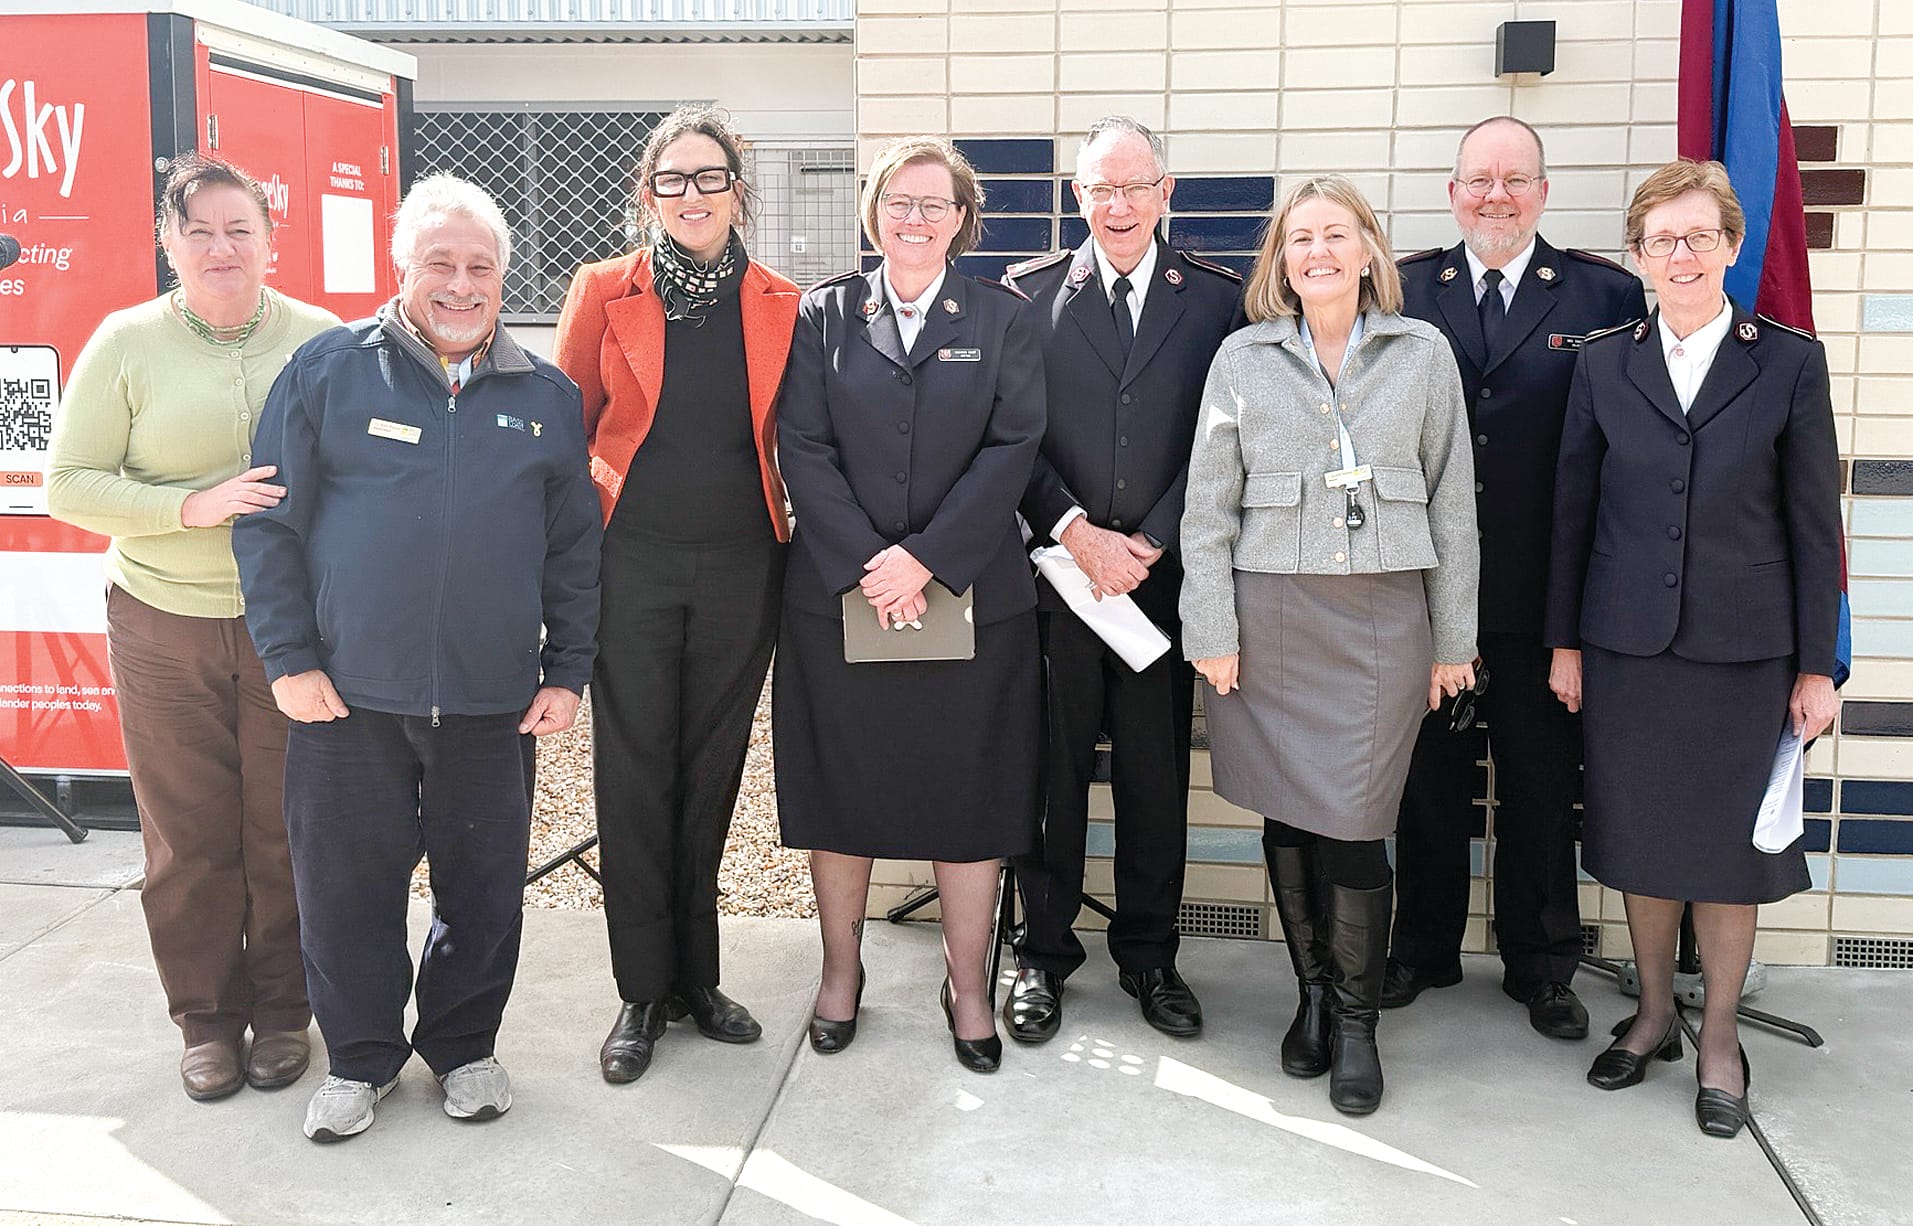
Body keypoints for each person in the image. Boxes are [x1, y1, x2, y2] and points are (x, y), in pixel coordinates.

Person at [232, 174, 602, 1142]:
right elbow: (269, 527)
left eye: (480, 266)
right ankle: (358, 1056)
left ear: (502, 279)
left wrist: (566, 668)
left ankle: (463, 1045)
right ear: (402, 268)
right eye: (438, 261)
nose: (459, 283)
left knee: (482, 887)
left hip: (491, 701)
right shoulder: (325, 373)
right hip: (346, 699)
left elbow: (573, 548)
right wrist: (287, 656)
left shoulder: (545, 396)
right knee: (343, 888)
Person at [1545, 158, 1841, 1139]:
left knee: (1724, 858)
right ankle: (1652, 1012)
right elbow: (1570, 517)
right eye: (1661, 238)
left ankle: (1717, 1033)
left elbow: (1811, 526)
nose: (1680, 253)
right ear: (1636, 256)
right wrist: (1562, 641)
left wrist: (1814, 662)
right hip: (1625, 646)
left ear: (1729, 245)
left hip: (1742, 653)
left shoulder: (1787, 361)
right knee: (1640, 846)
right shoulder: (1599, 362)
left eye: (1697, 236)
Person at [1180, 174, 1478, 1116]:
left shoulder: (1421, 352)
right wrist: (1212, 631)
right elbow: (1205, 510)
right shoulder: (1241, 357)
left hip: (1384, 621)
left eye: (1335, 234)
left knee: (1354, 822)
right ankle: (1310, 995)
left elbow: (1453, 506)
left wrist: (1453, 640)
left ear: (1367, 250)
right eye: (1299, 237)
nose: (1317, 251)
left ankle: (1357, 1020)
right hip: (1266, 618)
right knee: (1286, 814)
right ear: (1281, 258)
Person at [46, 154, 339, 1103]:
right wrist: (193, 506)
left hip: (288, 630)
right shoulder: (124, 344)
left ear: (270, 238)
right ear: (170, 244)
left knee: (287, 829)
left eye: (239, 228)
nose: (222, 247)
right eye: (201, 231)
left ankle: (286, 1014)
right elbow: (68, 484)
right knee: (187, 835)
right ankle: (206, 1021)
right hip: (162, 621)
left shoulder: (324, 339)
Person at [774, 136, 1045, 1075]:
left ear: (962, 219)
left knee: (968, 798)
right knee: (839, 790)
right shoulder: (824, 314)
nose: (915, 219)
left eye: (934, 204)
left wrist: (925, 560)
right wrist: (869, 563)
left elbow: (1014, 446)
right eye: (898, 202)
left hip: (969, 600)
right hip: (839, 600)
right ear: (873, 212)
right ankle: (839, 974)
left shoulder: (1004, 319)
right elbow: (799, 445)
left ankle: (967, 984)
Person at [553, 106, 800, 1086]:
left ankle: (700, 978)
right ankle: (639, 988)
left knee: (709, 773)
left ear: (739, 189)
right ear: (645, 193)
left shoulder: (784, 299)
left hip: (746, 567)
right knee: (633, 771)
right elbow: (564, 435)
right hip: (633, 568)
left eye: (710, 178)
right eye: (673, 180)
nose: (692, 196)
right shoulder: (602, 291)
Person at [1387, 117, 1649, 1039]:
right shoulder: (1403, 287)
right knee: (1426, 783)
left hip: (1547, 596)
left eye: (1514, 179)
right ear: (1450, 190)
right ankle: (1420, 948)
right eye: (1477, 179)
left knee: (1543, 787)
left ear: (1542, 191)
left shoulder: (1604, 293)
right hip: (1425, 592)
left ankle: (1542, 965)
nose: (1494, 195)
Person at [1001, 116, 1243, 1044]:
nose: (1117, 205)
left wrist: (1147, 540)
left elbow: (1225, 440)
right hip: (1060, 586)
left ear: (1165, 192)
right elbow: (1010, 437)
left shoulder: (1217, 302)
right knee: (1050, 778)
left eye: (1134, 186)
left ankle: (1149, 955)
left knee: (1154, 782)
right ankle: (1042, 954)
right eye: (1099, 189)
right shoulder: (1027, 299)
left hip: (1159, 582)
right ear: (1075, 197)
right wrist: (1075, 532)